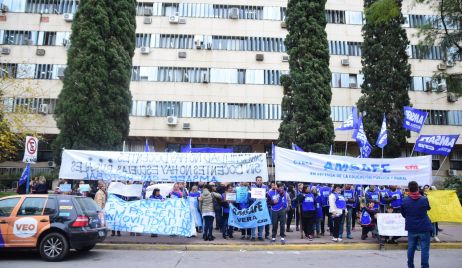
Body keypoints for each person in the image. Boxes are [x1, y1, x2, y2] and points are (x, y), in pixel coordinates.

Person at [401, 181, 432, 268]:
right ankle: (424, 266)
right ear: (417, 188)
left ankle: (410, 266)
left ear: (409, 189)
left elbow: (403, 214)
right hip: (424, 227)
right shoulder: (424, 199)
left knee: (411, 248)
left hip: (411, 228)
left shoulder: (404, 200)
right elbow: (428, 208)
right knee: (425, 249)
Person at [251, 176, 269, 240]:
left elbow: (268, 195)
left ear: (262, 180)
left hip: (262, 207)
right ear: (256, 181)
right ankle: (253, 236)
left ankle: (260, 236)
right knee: (254, 222)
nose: (259, 181)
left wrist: (266, 197)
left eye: (260, 180)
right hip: (254, 207)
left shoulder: (265, 187)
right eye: (258, 180)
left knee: (261, 221)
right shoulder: (252, 187)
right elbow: (250, 197)